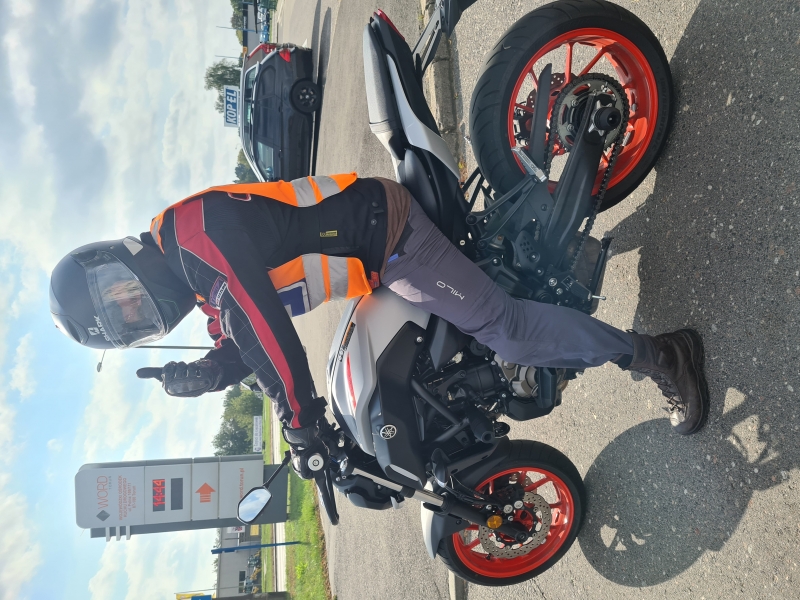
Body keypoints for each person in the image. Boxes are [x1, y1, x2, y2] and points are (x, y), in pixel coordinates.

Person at [50, 175, 709, 478]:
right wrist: (208, 372)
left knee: (506, 329)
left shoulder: (192, 237)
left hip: (388, 238)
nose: (137, 312)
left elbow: (261, 325)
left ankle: (659, 354)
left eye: (121, 300)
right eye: (128, 324)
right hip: (373, 260)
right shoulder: (197, 275)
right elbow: (239, 334)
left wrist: (299, 420)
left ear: (118, 260)